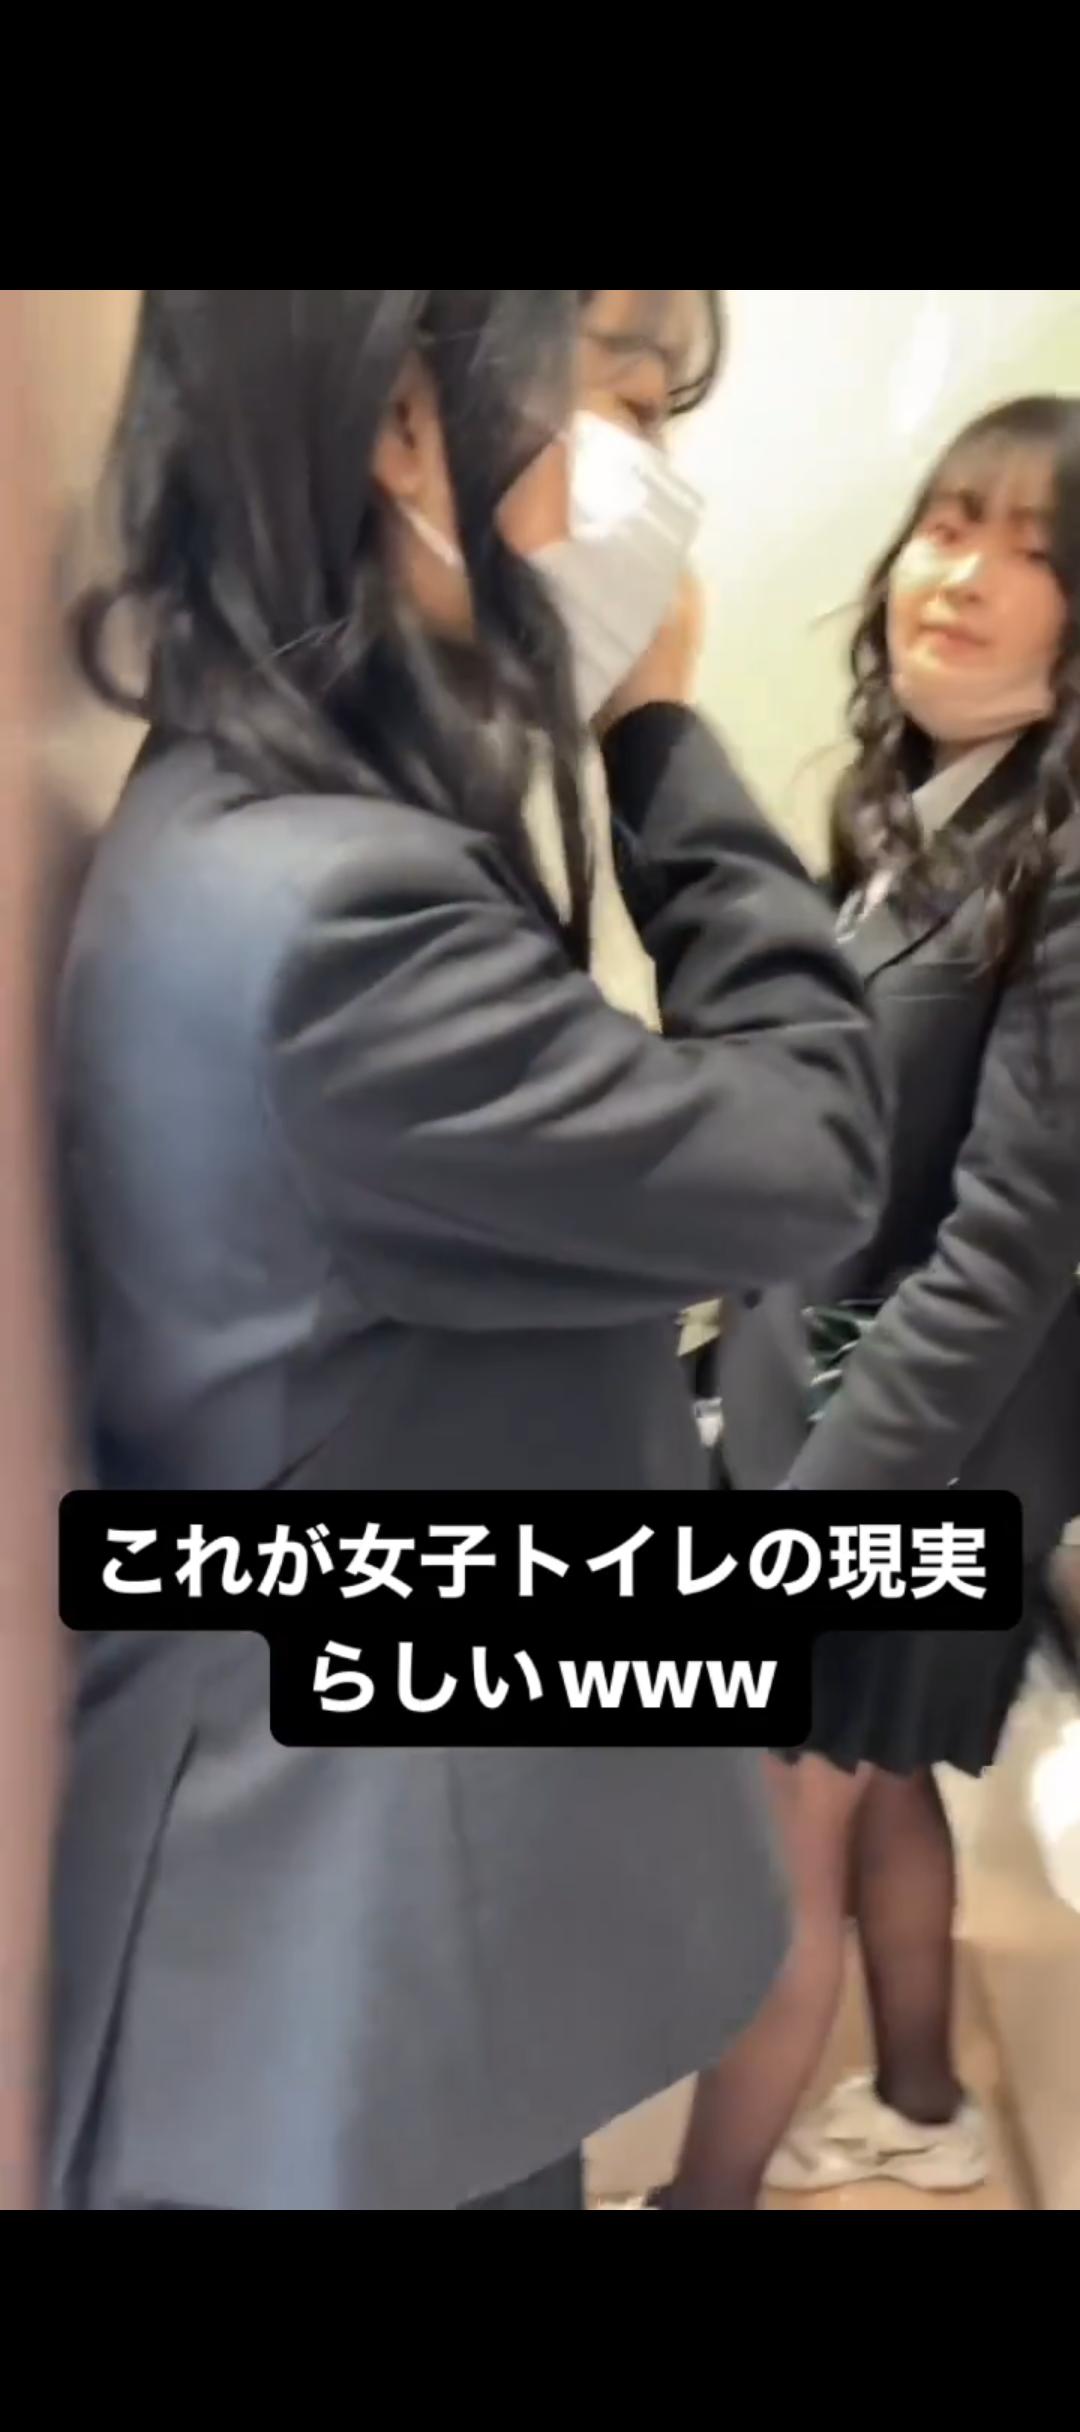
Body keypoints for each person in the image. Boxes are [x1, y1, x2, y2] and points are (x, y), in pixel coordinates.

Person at [49, 290, 886, 2213]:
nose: (650, 476)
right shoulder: (332, 922)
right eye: (620, 396)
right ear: (404, 419)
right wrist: (660, 732)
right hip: (342, 1968)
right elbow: (814, 1154)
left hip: (405, 1903)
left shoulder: (286, 815)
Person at [653, 394, 1080, 2211]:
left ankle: (704, 2196)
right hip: (854, 1423)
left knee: (784, 1837)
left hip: (919, 1457)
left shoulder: (1068, 856)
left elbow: (1008, 1246)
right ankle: (921, 2102)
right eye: (949, 525)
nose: (962, 575)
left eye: (1034, 551)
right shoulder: (924, 811)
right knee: (878, 1782)